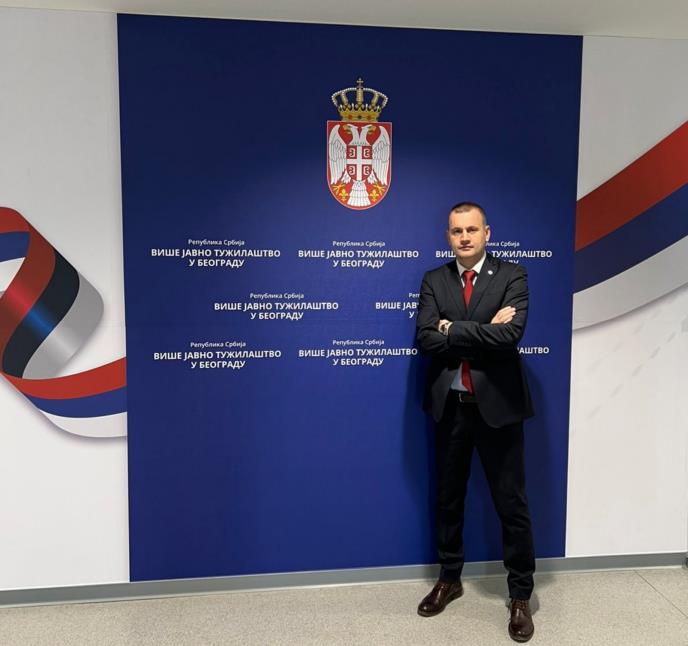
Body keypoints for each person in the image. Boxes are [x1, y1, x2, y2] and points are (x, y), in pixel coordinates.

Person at [415, 202, 536, 643]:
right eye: (456, 231)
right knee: (449, 499)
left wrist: (453, 329)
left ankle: (520, 594)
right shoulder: (434, 280)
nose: (464, 237)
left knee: (511, 504)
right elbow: (425, 338)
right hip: (451, 407)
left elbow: (511, 336)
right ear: (448, 236)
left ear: (487, 232)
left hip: (498, 409)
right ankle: (449, 578)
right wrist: (482, 328)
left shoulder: (513, 275)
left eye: (471, 229)